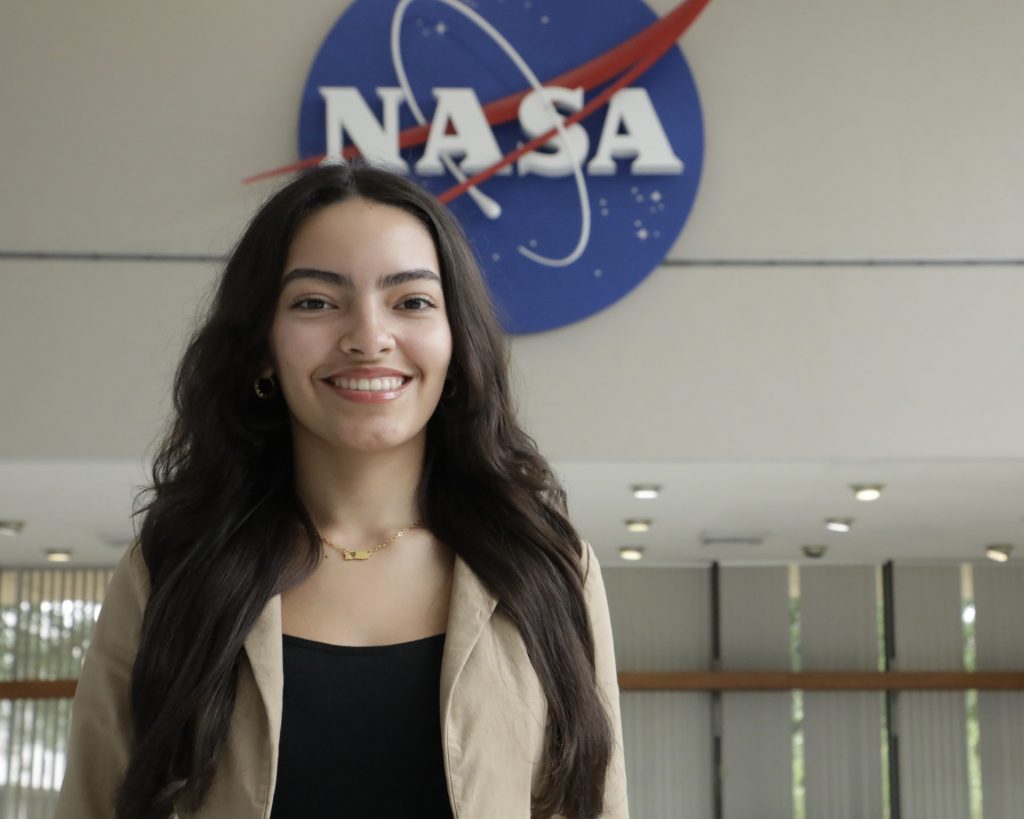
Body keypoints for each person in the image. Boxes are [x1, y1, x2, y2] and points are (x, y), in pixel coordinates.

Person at [55, 163, 628, 818]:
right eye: (316, 302)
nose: (368, 337)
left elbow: (595, 805)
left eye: (411, 301)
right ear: (262, 345)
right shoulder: (173, 566)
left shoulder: (546, 566)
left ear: (455, 338)